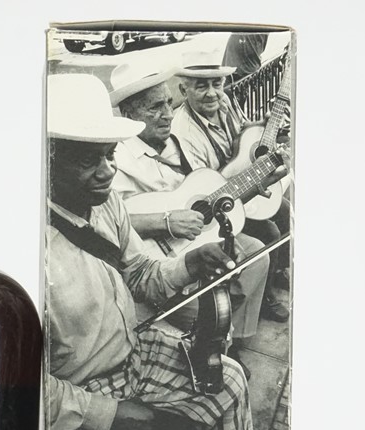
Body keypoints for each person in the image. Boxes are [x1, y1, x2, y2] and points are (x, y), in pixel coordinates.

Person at [45, 73, 254, 430]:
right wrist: (106, 414)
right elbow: (17, 381)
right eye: (87, 161)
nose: (108, 172)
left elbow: (140, 276)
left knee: (231, 379)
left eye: (110, 155)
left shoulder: (106, 203)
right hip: (76, 392)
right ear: (47, 162)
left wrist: (190, 264)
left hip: (131, 353)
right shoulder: (31, 248)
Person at [108, 63, 270, 360]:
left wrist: (256, 181)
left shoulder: (174, 143)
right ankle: (212, 340)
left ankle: (231, 341)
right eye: (155, 107)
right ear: (129, 113)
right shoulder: (116, 159)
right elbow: (110, 220)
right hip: (158, 262)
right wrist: (166, 222)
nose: (168, 114)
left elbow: (205, 196)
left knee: (257, 254)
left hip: (195, 239)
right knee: (202, 312)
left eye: (169, 103)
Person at [170, 52, 293, 322]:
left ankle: (274, 274)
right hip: (220, 203)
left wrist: (263, 125)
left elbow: (241, 132)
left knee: (286, 211)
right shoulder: (183, 133)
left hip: (242, 178)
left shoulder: (224, 100)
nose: (212, 93)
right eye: (201, 85)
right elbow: (206, 188)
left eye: (217, 83)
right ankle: (263, 297)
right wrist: (253, 182)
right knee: (269, 232)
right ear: (183, 89)